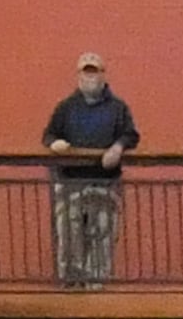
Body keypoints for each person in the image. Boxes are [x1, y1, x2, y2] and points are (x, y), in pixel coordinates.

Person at [43, 51, 140, 288]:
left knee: (102, 237)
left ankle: (95, 289)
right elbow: (49, 134)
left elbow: (131, 135)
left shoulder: (118, 108)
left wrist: (118, 147)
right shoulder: (66, 107)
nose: (90, 77)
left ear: (103, 75)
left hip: (104, 185)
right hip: (70, 183)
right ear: (78, 75)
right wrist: (54, 144)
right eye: (86, 72)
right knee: (69, 237)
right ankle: (71, 284)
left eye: (94, 71)